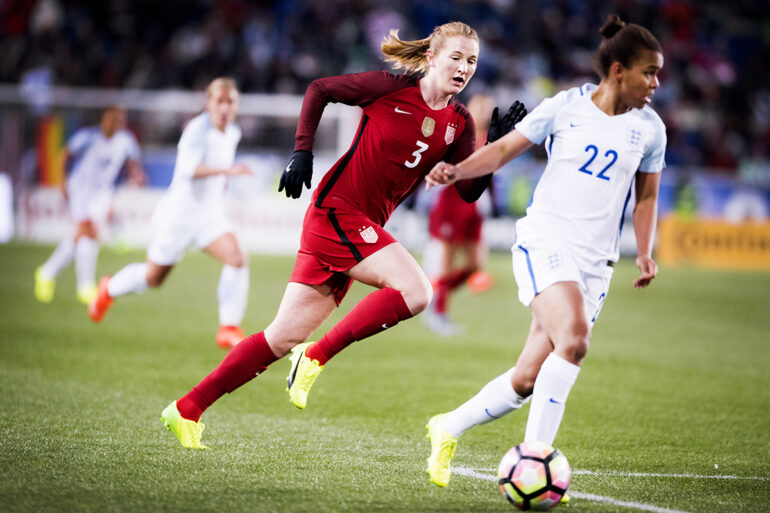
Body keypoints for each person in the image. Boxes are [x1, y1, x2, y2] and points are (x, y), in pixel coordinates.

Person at [158, 21, 526, 449]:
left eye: (472, 61)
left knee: (280, 337)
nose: (464, 68)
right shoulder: (390, 87)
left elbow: (467, 192)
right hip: (336, 212)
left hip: (360, 227)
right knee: (417, 291)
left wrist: (493, 150)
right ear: (431, 58)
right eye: (456, 57)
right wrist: (302, 150)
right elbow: (319, 89)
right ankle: (315, 356)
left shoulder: (459, 123)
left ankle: (186, 409)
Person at [423, 14, 666, 488]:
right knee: (574, 340)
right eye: (649, 72)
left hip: (596, 264)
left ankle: (446, 426)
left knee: (527, 378)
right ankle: (535, 462)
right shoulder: (565, 107)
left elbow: (648, 195)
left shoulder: (651, 130)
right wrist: (457, 170)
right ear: (618, 70)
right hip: (546, 241)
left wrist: (643, 251)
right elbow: (501, 151)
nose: (656, 83)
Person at [87, 78, 252, 350]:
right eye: (219, 101)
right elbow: (190, 169)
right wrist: (227, 172)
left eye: (230, 101)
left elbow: (216, 175)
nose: (225, 107)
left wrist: (225, 186)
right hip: (180, 215)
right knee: (154, 278)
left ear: (237, 105)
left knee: (236, 258)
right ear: (208, 103)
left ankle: (228, 327)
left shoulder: (232, 132)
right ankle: (108, 288)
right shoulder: (197, 130)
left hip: (209, 214)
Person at [34, 106, 144, 305]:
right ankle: (83, 286)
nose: (115, 123)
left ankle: (48, 272)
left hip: (101, 192)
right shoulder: (89, 137)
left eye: (119, 120)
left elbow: (133, 162)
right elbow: (64, 154)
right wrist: (63, 181)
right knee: (87, 231)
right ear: (103, 119)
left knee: (83, 236)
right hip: (81, 190)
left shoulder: (125, 141)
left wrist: (137, 174)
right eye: (112, 119)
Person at [423, 93, 497, 336]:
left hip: (473, 208)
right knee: (446, 262)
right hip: (452, 204)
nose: (485, 112)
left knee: (475, 265)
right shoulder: (460, 133)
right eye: (481, 106)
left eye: (488, 107)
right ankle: (438, 313)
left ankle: (435, 298)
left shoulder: (491, 139)